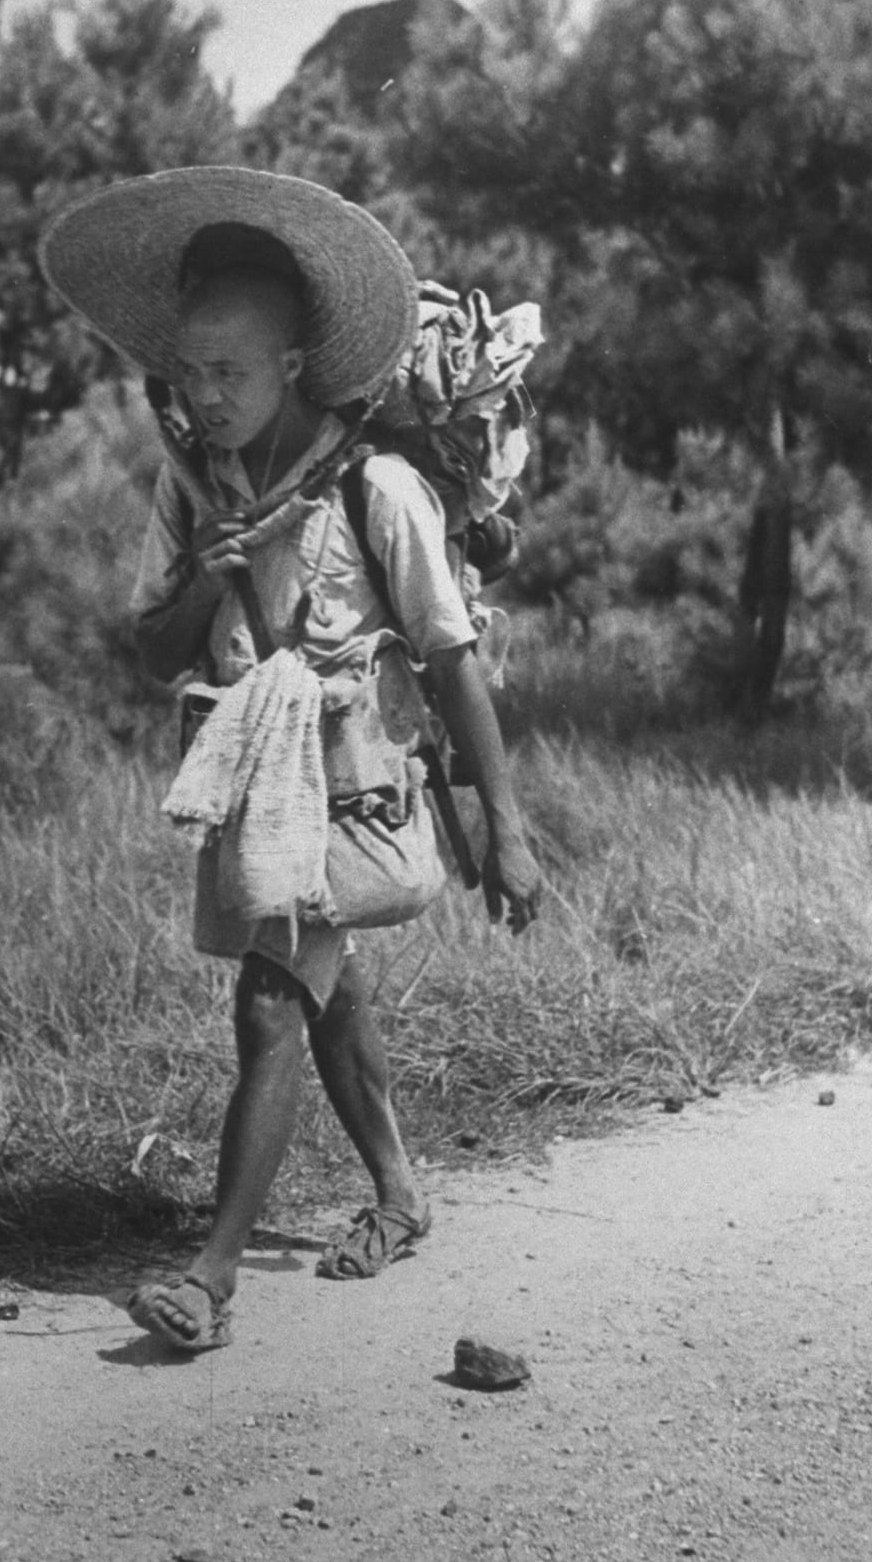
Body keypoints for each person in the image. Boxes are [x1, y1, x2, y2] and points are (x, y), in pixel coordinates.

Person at [39, 167, 541, 1355]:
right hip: (260, 788)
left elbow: (453, 657)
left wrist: (509, 828)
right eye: (190, 375)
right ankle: (401, 1195)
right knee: (327, 985)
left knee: (270, 996)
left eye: (232, 374)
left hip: (362, 799)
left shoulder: (379, 489)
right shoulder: (192, 483)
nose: (206, 399)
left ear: (295, 368)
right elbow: (153, 643)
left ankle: (209, 1280)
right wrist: (214, 566)